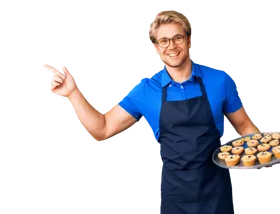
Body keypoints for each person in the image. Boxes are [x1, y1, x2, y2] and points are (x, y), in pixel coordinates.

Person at [43, 8, 260, 214]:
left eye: (178, 38)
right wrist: (73, 93)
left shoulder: (220, 79)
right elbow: (103, 129)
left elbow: (244, 125)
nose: (172, 46)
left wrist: (262, 152)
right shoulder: (146, 88)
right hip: (175, 197)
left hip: (217, 194)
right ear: (155, 49)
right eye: (163, 41)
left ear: (190, 40)